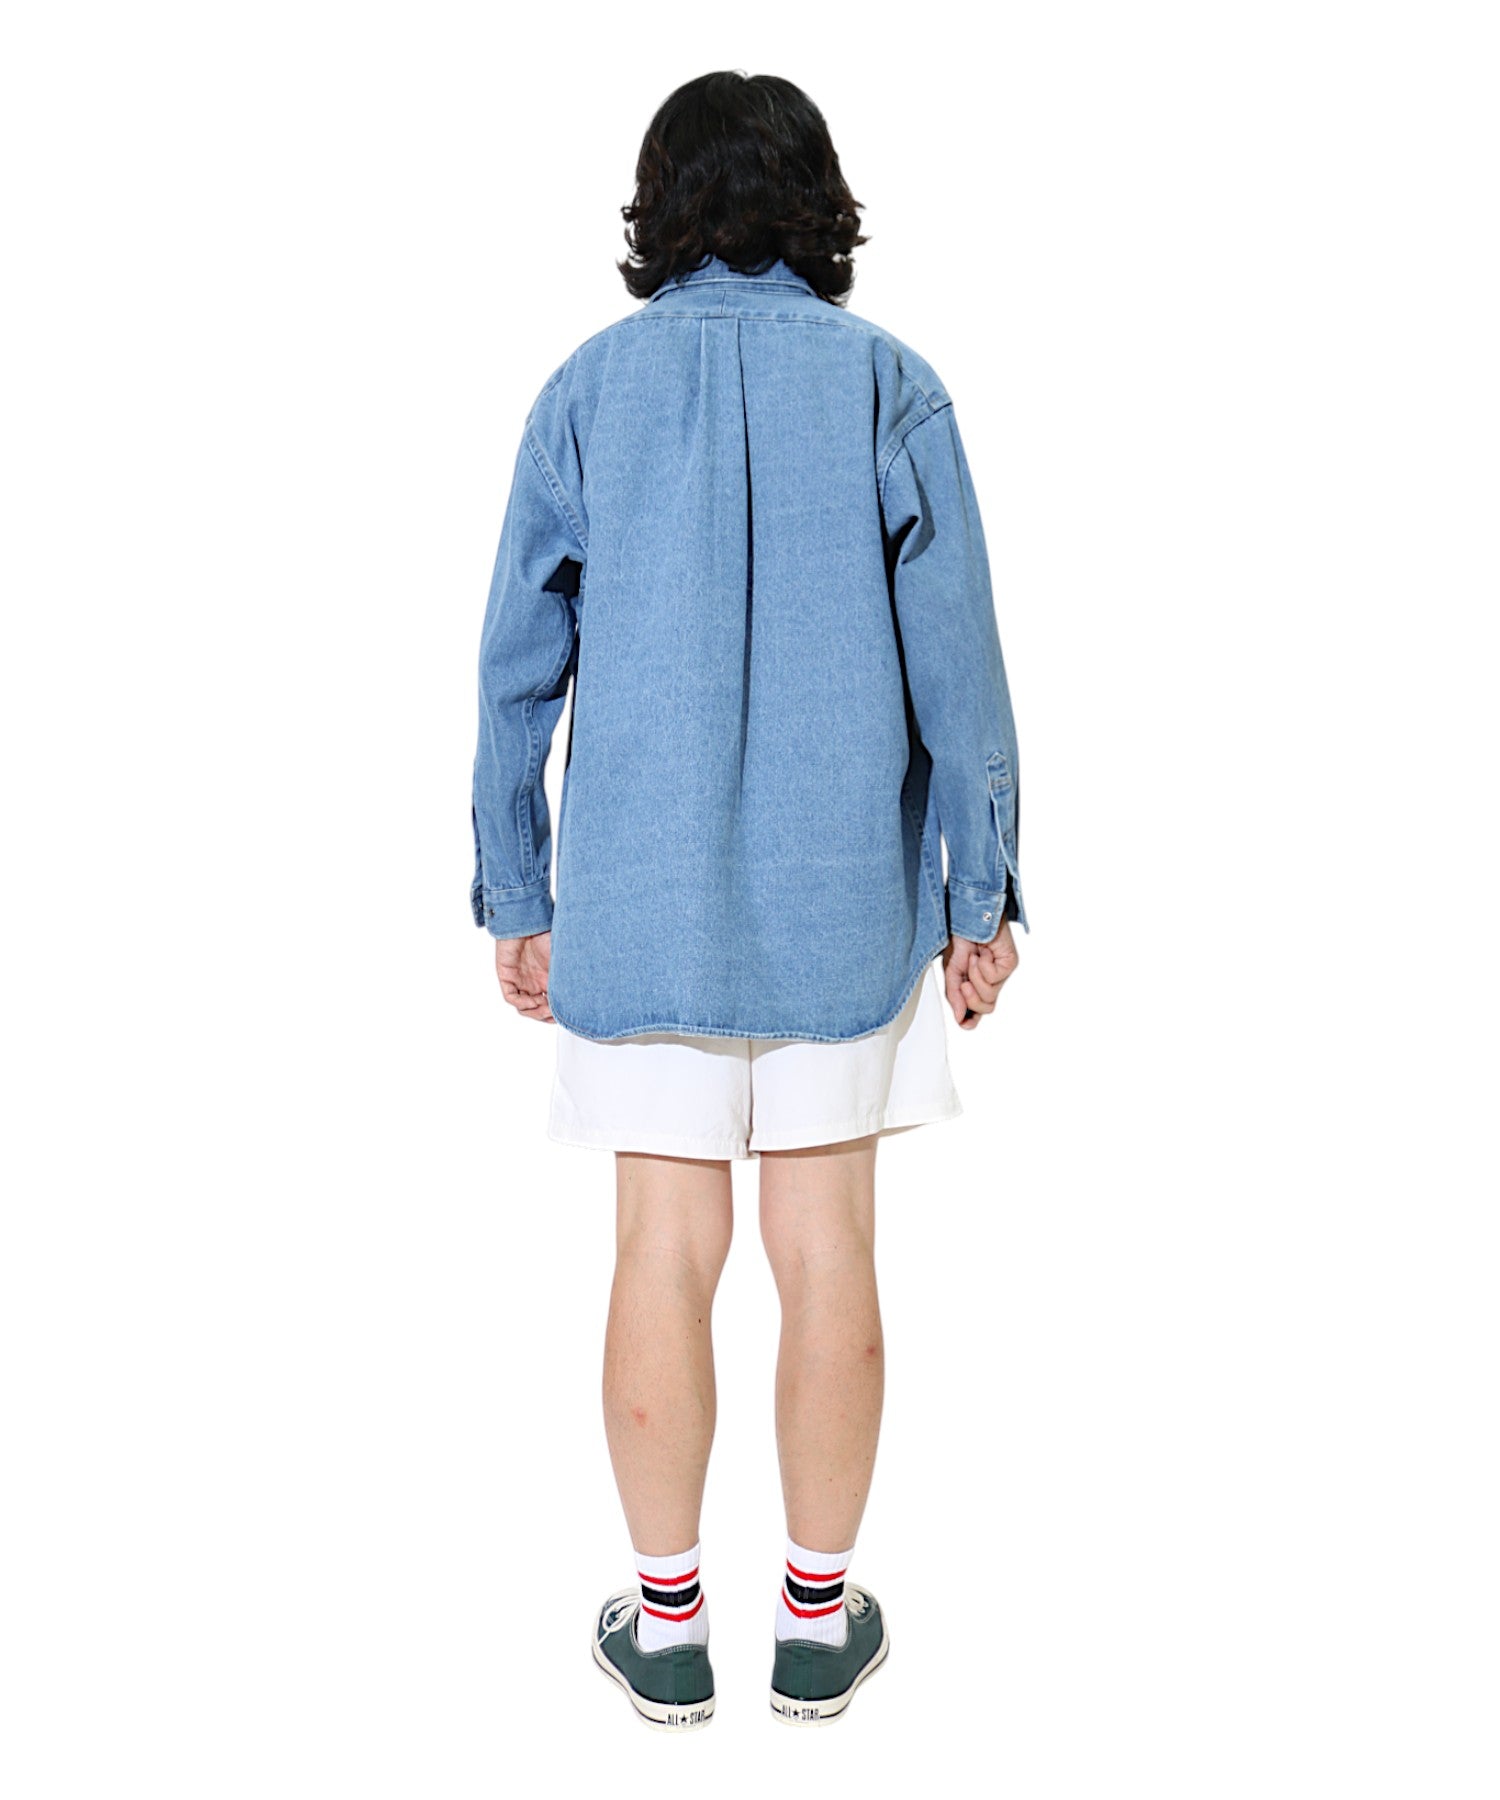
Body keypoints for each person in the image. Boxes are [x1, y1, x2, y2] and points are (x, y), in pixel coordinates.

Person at [470, 70, 1028, 1731]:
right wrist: (982, 892)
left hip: (638, 905)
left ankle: (663, 1634)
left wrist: (517, 886)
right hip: (841, 901)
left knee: (662, 1250)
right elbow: (962, 672)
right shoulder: (890, 387)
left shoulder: (585, 392)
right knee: (826, 1244)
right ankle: (815, 1621)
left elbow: (513, 671)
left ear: (660, 210)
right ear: (818, 202)